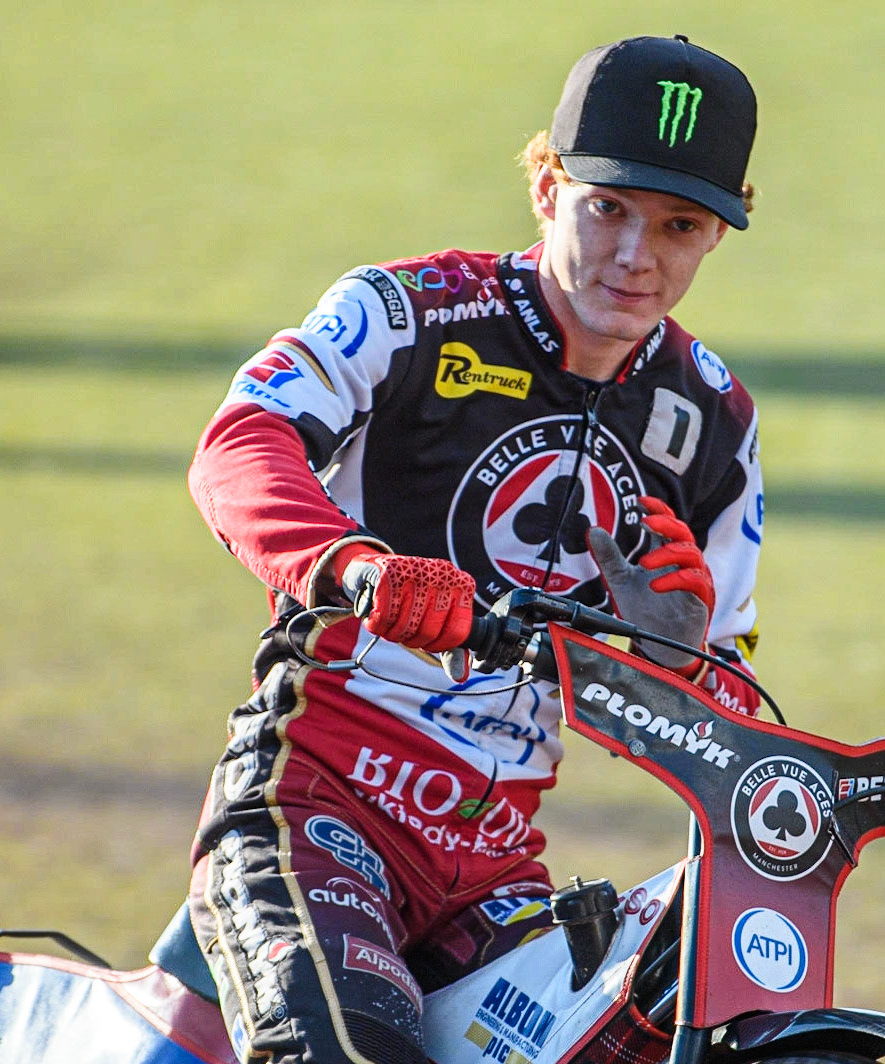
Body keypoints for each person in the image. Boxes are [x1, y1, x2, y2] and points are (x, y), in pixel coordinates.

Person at [185, 34, 766, 1064]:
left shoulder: (713, 418)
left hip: (493, 866)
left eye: (679, 224)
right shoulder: (405, 311)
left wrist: (676, 668)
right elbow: (240, 444)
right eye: (607, 207)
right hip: (313, 806)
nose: (637, 256)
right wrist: (358, 569)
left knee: (709, 1011)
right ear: (546, 186)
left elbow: (723, 718)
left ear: (722, 230)